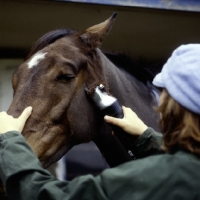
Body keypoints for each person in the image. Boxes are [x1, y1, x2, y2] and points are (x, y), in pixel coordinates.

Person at [0, 44, 200, 200]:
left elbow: (48, 196)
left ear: (173, 104)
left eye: (164, 92)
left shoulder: (155, 179)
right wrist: (147, 137)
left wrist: (10, 142)